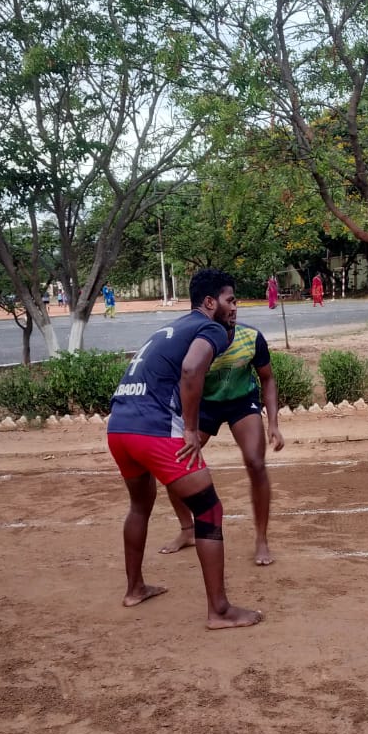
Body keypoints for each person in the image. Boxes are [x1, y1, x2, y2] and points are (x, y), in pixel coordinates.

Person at [106, 267, 263, 629]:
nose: (235, 308)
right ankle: (219, 611)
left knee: (139, 505)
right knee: (208, 510)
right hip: (154, 428)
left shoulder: (175, 326)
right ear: (210, 303)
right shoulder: (210, 328)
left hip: (120, 425)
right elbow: (192, 370)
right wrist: (190, 430)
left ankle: (135, 589)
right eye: (230, 300)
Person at [159, 310, 286, 566]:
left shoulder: (251, 337)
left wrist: (273, 423)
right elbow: (181, 382)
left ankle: (261, 539)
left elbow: (267, 378)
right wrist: (186, 426)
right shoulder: (195, 344)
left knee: (256, 463)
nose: (234, 307)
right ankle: (187, 530)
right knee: (174, 463)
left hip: (241, 403)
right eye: (228, 301)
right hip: (204, 406)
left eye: (235, 301)